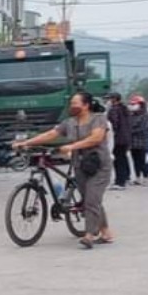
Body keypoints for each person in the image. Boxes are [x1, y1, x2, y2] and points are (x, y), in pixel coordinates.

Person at [13, 90, 113, 249]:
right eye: (71, 103)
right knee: (90, 199)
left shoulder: (98, 119)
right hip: (80, 166)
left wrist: (72, 146)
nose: (72, 106)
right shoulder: (70, 122)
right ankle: (106, 232)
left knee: (92, 199)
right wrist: (26, 142)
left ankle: (89, 235)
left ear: (86, 105)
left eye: (75, 103)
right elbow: (51, 134)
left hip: (99, 166)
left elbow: (96, 138)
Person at [105, 91, 131, 190]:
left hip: (118, 138)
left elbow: (114, 124)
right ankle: (123, 179)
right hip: (125, 137)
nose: (108, 101)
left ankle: (119, 182)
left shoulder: (114, 110)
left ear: (114, 99)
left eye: (109, 99)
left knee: (118, 160)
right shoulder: (124, 109)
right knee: (123, 159)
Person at [128, 94, 148, 185]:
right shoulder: (131, 115)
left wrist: (130, 131)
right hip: (133, 141)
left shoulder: (145, 115)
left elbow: (144, 128)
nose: (133, 106)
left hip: (142, 140)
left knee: (142, 160)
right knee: (135, 160)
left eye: (135, 104)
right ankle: (137, 177)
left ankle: (145, 177)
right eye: (132, 104)